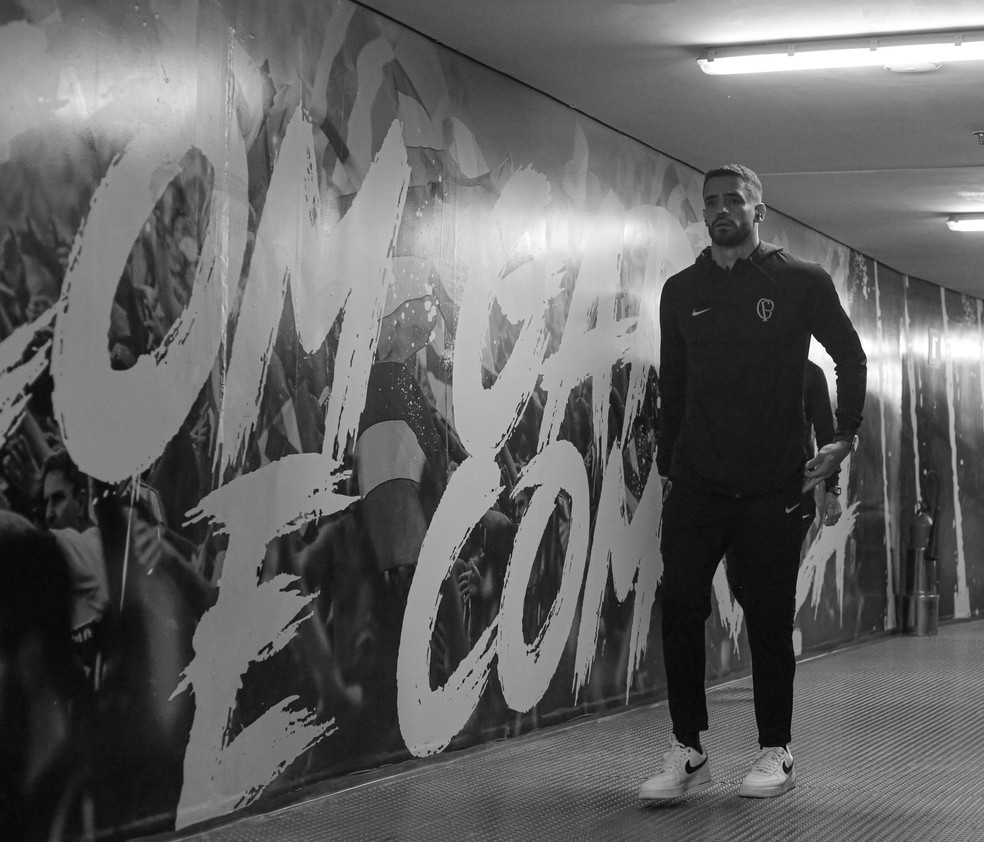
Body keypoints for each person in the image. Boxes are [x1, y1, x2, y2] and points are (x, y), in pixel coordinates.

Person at [639, 164, 866, 801]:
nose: (720, 210)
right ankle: (689, 750)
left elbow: (848, 354)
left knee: (767, 617)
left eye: (733, 200)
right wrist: (668, 469)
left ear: (758, 211)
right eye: (710, 202)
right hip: (698, 483)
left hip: (773, 486)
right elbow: (675, 389)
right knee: (680, 604)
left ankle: (775, 750)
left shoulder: (798, 281)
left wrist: (843, 437)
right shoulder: (681, 289)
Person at [725, 359, 843, 605]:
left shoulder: (810, 374)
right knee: (740, 580)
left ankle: (776, 640)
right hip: (744, 497)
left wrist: (832, 490)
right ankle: (770, 638)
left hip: (794, 497)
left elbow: (825, 436)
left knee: (775, 580)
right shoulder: (744, 364)